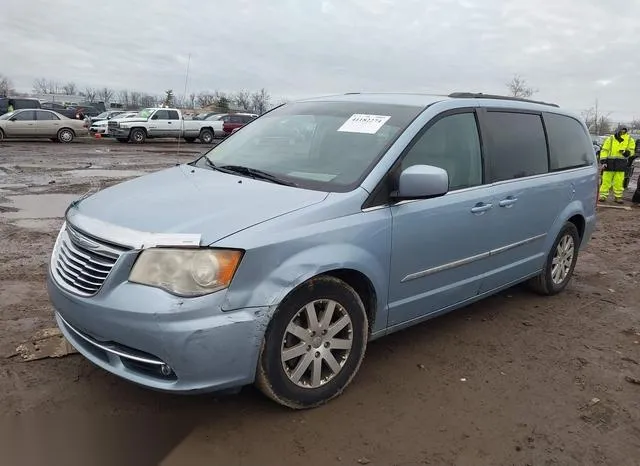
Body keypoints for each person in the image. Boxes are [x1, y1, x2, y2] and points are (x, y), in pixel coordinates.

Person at [599, 126, 636, 204]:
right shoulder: (611, 139)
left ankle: (618, 197)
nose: (622, 132)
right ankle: (603, 196)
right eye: (621, 130)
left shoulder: (630, 139)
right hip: (609, 163)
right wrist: (603, 161)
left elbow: (632, 151)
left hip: (621, 164)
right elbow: (604, 150)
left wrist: (626, 152)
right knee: (606, 181)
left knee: (619, 181)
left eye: (624, 130)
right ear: (618, 130)